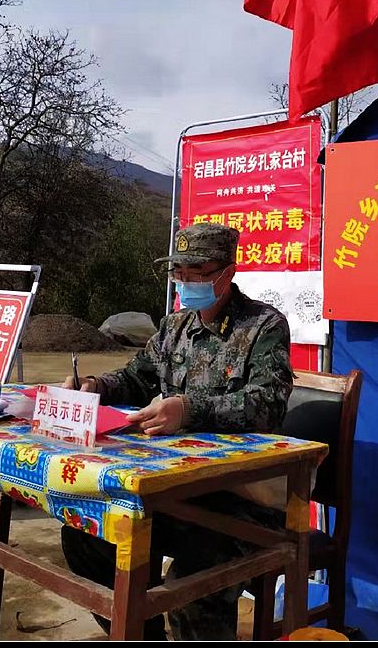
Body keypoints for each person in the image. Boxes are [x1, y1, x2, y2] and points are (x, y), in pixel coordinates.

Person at [60, 222, 293, 641]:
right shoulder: (173, 328)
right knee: (85, 537)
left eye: (196, 272)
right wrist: (94, 386)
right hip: (174, 491)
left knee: (190, 589)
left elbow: (267, 404)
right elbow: (136, 377)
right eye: (178, 272)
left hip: (241, 502)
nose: (185, 282)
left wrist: (188, 409)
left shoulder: (263, 326)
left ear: (228, 272)